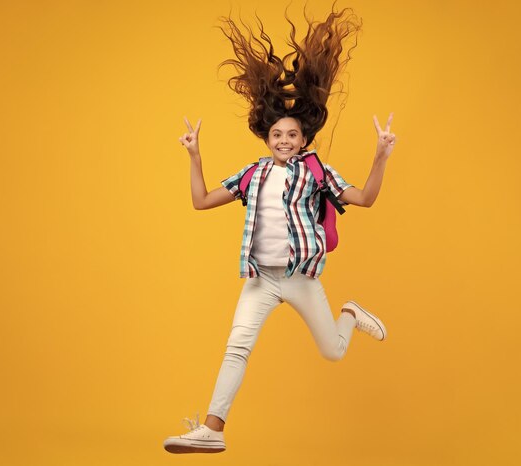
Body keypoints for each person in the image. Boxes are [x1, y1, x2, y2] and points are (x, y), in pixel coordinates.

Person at [163, 5, 397, 454]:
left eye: (292, 135)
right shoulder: (252, 174)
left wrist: (381, 155)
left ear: (303, 139)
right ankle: (212, 429)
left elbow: (364, 199)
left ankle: (348, 313)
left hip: (302, 279)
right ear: (266, 139)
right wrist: (194, 154)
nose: (284, 141)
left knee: (332, 351)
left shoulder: (315, 170)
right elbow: (201, 201)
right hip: (261, 280)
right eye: (277, 135)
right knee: (236, 348)